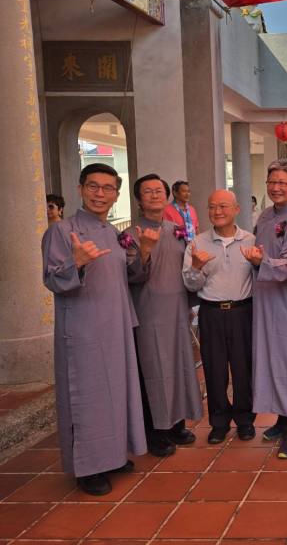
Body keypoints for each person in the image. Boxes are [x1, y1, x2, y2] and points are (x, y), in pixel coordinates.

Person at [42, 163, 146, 496]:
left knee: (116, 393)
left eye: (107, 188)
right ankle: (89, 467)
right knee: (87, 396)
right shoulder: (62, 231)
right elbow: (52, 279)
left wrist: (141, 253)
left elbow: (124, 277)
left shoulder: (113, 232)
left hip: (115, 325)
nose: (100, 194)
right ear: (80, 189)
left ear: (116, 194)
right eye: (93, 187)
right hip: (84, 329)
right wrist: (78, 263)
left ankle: (113, 456)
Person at [125, 174, 203, 457]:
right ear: (138, 199)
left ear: (167, 195)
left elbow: (187, 268)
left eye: (159, 190)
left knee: (180, 368)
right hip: (148, 313)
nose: (155, 195)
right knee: (154, 371)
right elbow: (131, 275)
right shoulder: (130, 234)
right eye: (148, 191)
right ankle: (156, 431)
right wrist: (144, 250)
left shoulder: (176, 230)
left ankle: (176, 423)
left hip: (177, 311)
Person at [243, 159, 287, 459]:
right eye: (272, 181)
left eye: (283, 182)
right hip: (265, 302)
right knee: (271, 362)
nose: (276, 187)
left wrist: (263, 264)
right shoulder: (264, 216)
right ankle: (282, 418)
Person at [183, 190, 256, 444]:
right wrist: (196, 267)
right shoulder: (198, 243)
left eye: (223, 206)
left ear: (236, 209)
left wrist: (258, 263)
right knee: (213, 369)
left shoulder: (251, 239)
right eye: (212, 207)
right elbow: (191, 285)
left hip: (243, 311)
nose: (217, 212)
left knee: (244, 368)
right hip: (211, 312)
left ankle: (245, 420)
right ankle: (219, 422)